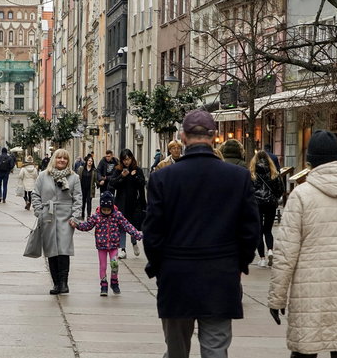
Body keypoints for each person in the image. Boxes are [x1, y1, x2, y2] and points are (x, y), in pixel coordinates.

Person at [143, 110, 260, 358]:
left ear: (183, 137)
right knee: (216, 349)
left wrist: (158, 266)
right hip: (220, 274)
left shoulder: (163, 178)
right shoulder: (237, 177)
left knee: (176, 350)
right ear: (213, 136)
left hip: (176, 274)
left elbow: (152, 232)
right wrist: (239, 264)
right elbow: (251, 230)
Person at [267, 130, 337, 358]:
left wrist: (277, 297)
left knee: (306, 350)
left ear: (311, 162)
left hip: (310, 288)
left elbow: (285, 252)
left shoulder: (301, 195)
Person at [30, 148, 83, 295]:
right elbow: (35, 194)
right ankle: (56, 284)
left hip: (66, 217)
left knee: (63, 249)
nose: (62, 160)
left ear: (68, 161)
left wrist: (75, 217)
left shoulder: (74, 177)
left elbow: (78, 199)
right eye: (59, 158)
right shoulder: (43, 176)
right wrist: (39, 212)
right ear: (54, 159)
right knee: (51, 250)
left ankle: (64, 283)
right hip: (48, 215)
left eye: (65, 158)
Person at [72, 191, 142, 296]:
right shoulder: (97, 216)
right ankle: (103, 284)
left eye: (108, 210)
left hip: (113, 245)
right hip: (102, 246)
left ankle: (114, 282)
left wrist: (137, 234)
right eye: (104, 209)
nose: (105, 212)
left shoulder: (117, 215)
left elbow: (127, 225)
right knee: (103, 265)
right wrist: (77, 225)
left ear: (112, 208)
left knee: (114, 264)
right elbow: (87, 226)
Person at [250, 149, 285, 268]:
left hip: (257, 203)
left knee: (259, 231)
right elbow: (280, 189)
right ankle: (270, 250)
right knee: (268, 229)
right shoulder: (273, 172)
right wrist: (275, 197)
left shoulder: (252, 172)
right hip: (270, 203)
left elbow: (248, 189)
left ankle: (262, 259)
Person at [110, 148, 146, 259]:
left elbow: (142, 185)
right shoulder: (118, 170)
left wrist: (135, 176)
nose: (126, 162)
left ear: (132, 158)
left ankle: (134, 243)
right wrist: (122, 176)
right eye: (124, 159)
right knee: (121, 226)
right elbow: (112, 184)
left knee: (132, 225)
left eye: (128, 159)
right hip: (121, 202)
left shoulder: (137, 170)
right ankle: (123, 249)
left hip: (133, 202)